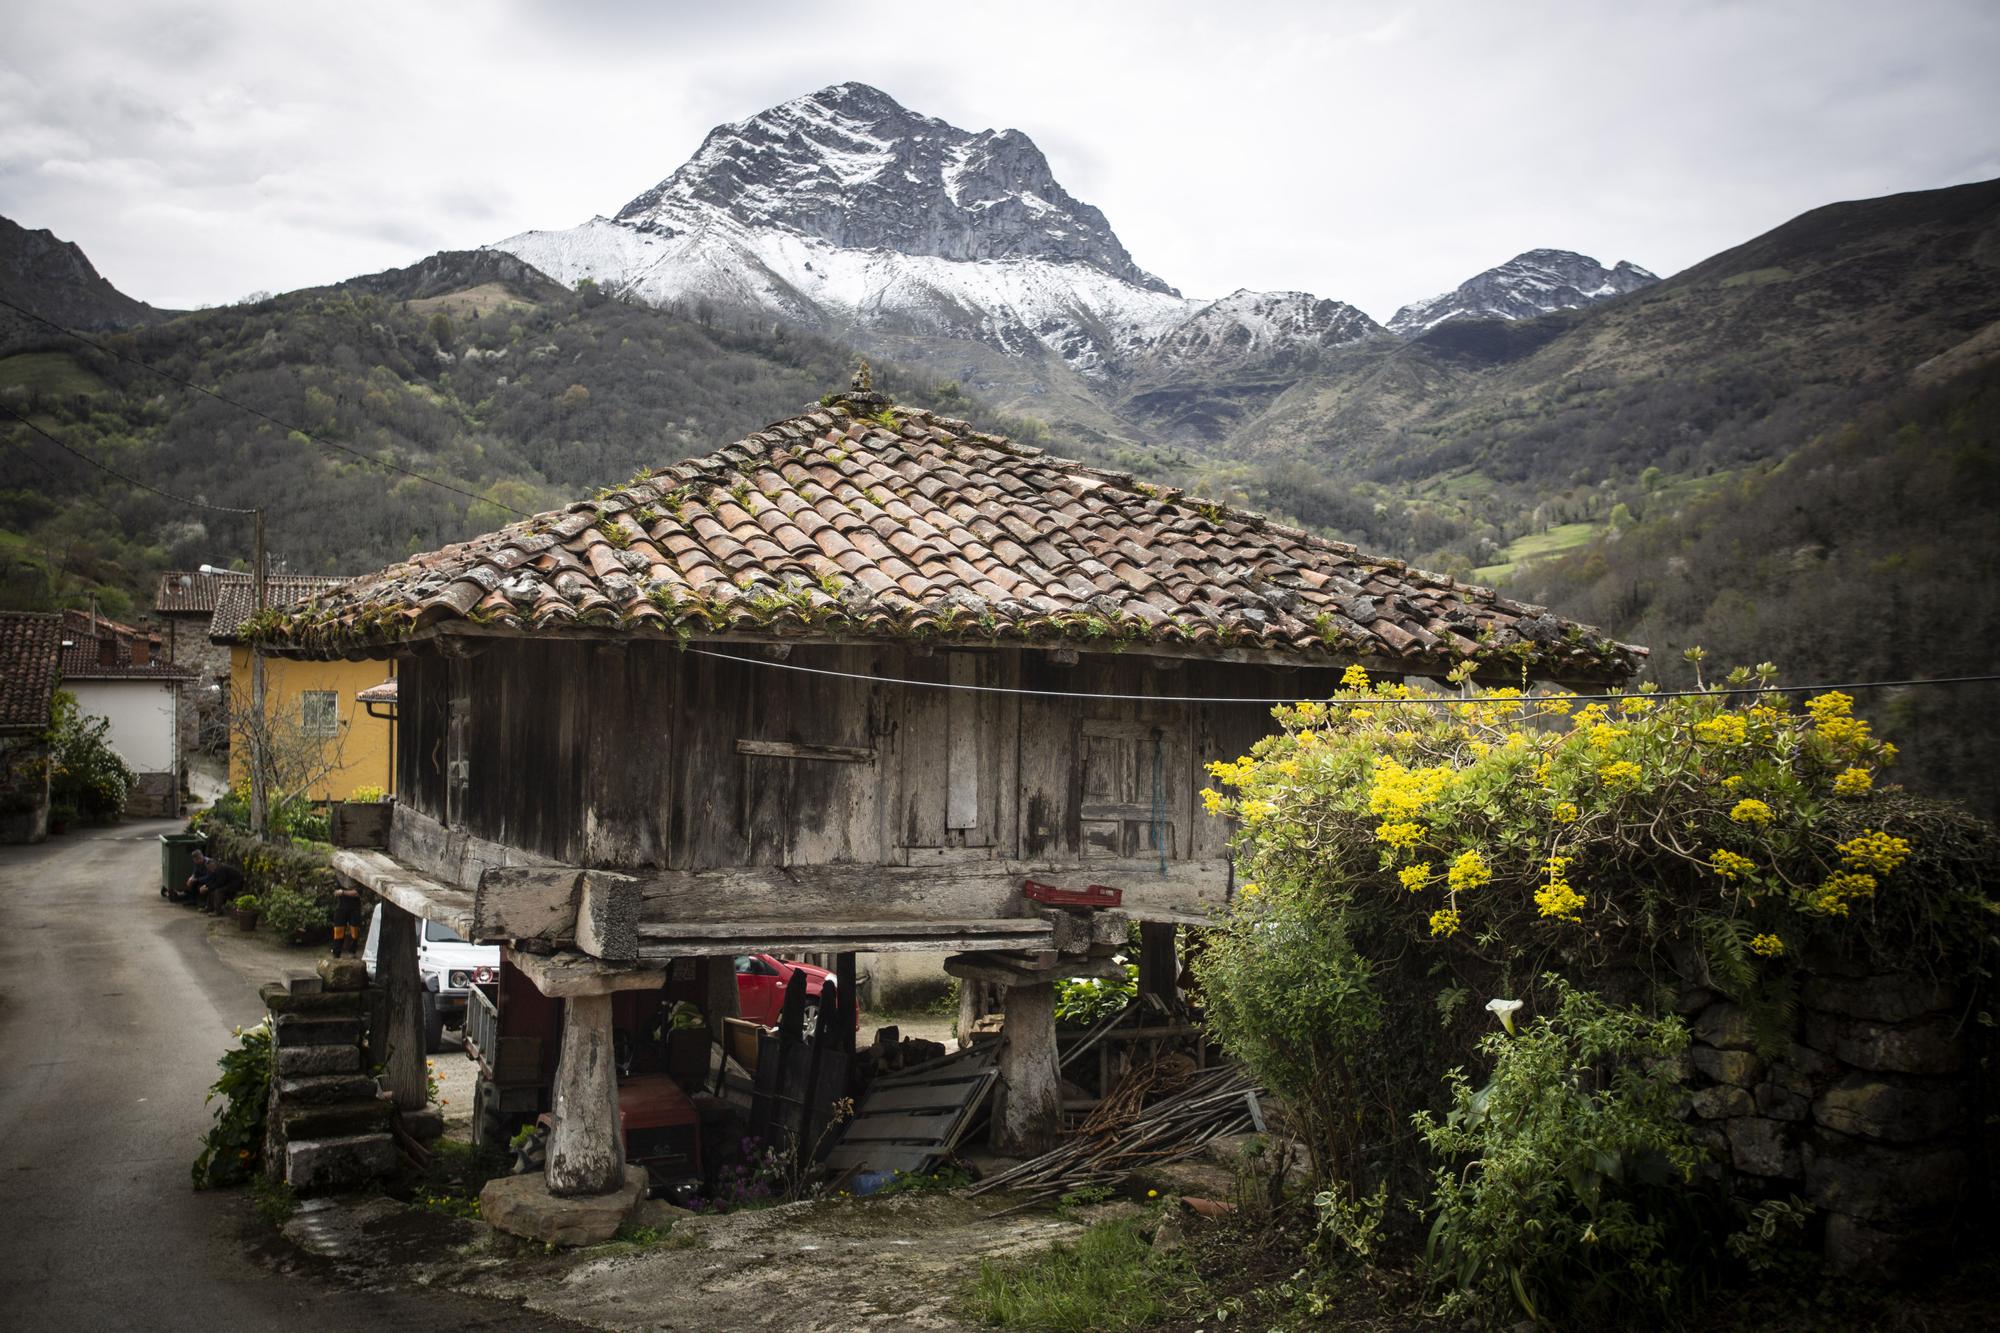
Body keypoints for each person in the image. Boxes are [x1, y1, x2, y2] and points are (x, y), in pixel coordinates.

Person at [330, 878, 364, 958]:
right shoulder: (338, 878)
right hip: (341, 906)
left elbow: (357, 893)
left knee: (354, 930)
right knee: (338, 930)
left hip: (354, 907)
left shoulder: (356, 878)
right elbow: (335, 891)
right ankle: (336, 952)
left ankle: (352, 952)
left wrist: (343, 892)